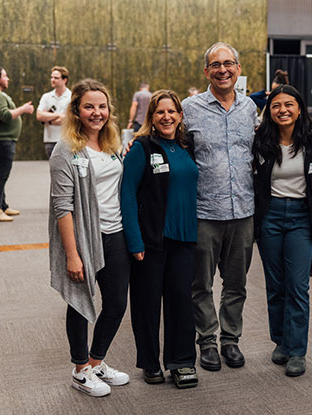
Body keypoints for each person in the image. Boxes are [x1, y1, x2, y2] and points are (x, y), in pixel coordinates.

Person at [49, 79, 130, 397]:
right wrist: (72, 255)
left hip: (116, 235)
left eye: (102, 106)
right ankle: (80, 369)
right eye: (89, 107)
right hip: (84, 238)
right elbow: (62, 206)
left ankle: (97, 362)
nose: (97, 113)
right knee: (81, 304)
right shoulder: (65, 150)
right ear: (76, 110)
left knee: (116, 304)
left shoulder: (111, 144)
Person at [182, 42, 258, 371]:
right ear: (206, 71)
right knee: (201, 283)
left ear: (239, 69)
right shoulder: (189, 108)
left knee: (237, 283)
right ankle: (207, 341)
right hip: (204, 213)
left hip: (243, 211)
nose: (223, 70)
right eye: (216, 65)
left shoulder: (250, 109)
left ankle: (231, 340)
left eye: (229, 64)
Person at [120, 90, 199, 389]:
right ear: (151, 117)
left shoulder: (186, 145)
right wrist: (134, 241)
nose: (167, 117)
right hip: (151, 240)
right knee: (147, 303)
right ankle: (150, 363)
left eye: (172, 112)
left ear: (180, 116)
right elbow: (126, 195)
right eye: (160, 112)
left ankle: (181, 363)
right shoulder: (141, 147)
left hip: (185, 238)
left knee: (181, 302)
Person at [253, 85, 312, 377]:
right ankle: (281, 341)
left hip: (300, 217)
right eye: (276, 105)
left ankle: (297, 350)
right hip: (270, 217)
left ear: (299, 108)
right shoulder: (261, 141)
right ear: (269, 111)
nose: (283, 110)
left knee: (297, 286)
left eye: (289, 104)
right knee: (275, 285)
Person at [0, 66, 34, 222]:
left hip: (2, 139)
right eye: (5, 76)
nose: (8, 78)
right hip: (0, 140)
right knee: (2, 175)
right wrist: (23, 109)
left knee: (1, 173)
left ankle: (2, 205)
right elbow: (5, 115)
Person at [36, 66, 71, 158]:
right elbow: (39, 115)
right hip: (50, 139)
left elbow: (68, 119)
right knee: (53, 168)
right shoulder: (46, 97)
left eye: (56, 78)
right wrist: (59, 115)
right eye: (51, 77)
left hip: (66, 139)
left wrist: (48, 118)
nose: (52, 80)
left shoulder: (71, 97)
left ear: (65, 80)